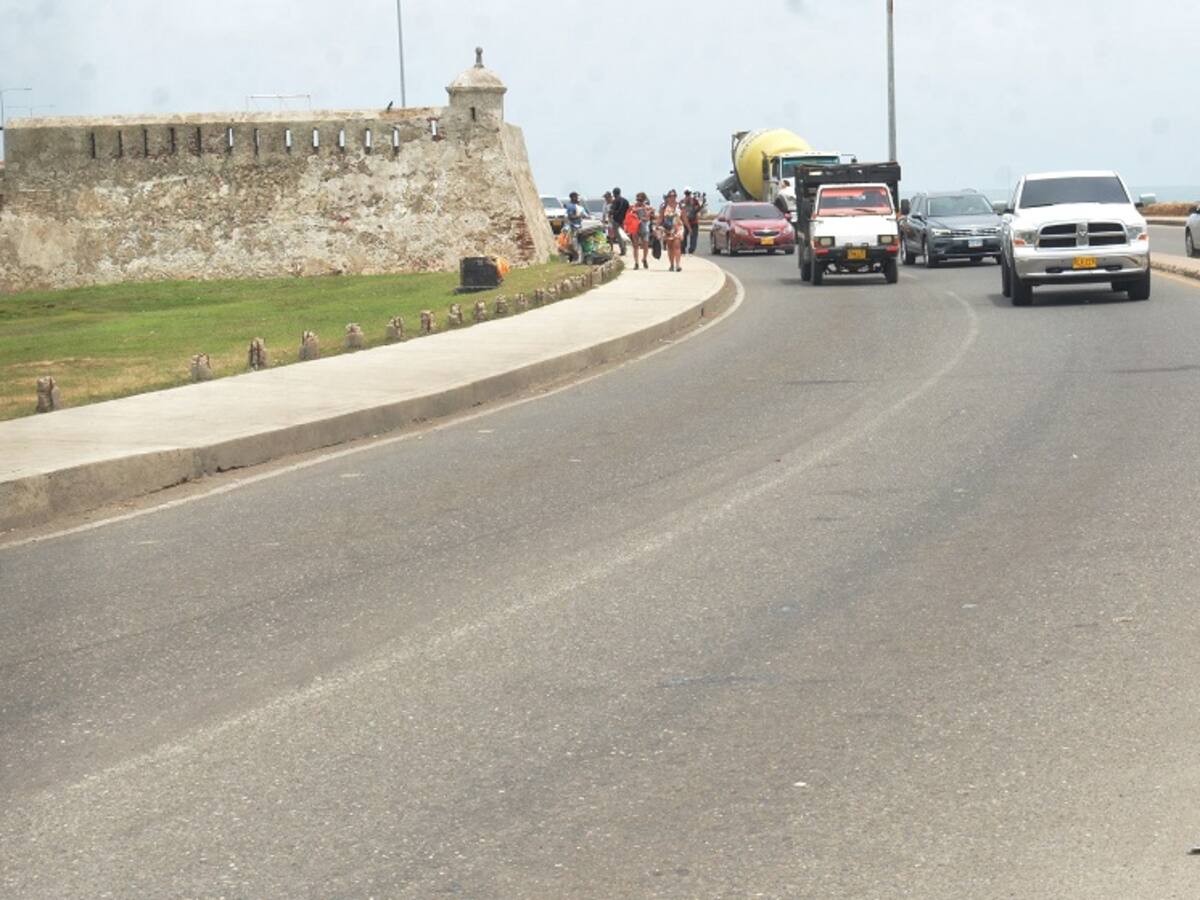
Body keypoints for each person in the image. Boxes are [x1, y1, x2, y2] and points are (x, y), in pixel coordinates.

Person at [658, 189, 686, 272]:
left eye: (674, 196)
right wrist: (657, 227)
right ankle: (671, 264)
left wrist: (688, 228)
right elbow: (660, 218)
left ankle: (678, 265)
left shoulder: (680, 206)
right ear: (668, 197)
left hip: (678, 228)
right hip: (668, 229)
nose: (672, 197)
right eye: (670, 196)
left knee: (677, 246)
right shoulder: (664, 206)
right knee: (670, 247)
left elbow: (684, 217)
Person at [627, 191, 654, 269]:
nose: (639, 201)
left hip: (644, 227)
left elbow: (648, 218)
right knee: (635, 246)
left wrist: (642, 216)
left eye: (641, 200)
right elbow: (629, 215)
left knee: (645, 246)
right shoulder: (633, 207)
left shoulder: (647, 207)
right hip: (635, 228)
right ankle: (636, 263)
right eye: (638, 200)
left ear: (644, 200)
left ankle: (644, 259)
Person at [564, 191, 586, 263]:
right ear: (573, 197)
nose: (577, 198)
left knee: (579, 243)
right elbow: (570, 217)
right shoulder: (571, 206)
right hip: (574, 227)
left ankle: (579, 258)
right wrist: (579, 216)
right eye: (576, 197)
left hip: (578, 226)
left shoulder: (576, 205)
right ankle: (577, 258)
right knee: (574, 243)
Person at [609, 187, 630, 257]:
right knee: (623, 235)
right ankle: (625, 248)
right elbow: (629, 211)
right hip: (623, 221)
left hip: (616, 221)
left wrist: (610, 214)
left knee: (619, 236)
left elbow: (611, 211)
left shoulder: (615, 201)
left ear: (614, 193)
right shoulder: (625, 201)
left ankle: (623, 250)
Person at [682, 188, 702, 254]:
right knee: (683, 236)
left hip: (694, 222)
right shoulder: (682, 202)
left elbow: (698, 208)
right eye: (686, 194)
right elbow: (681, 211)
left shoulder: (695, 201)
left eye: (688, 194)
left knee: (693, 237)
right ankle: (683, 249)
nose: (688, 195)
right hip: (685, 222)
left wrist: (694, 205)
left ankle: (691, 249)